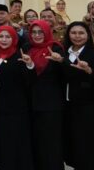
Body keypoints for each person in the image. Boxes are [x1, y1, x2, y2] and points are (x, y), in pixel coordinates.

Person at [0, 26, 35, 170]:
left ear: (14, 39)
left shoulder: (19, 56)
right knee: (2, 141)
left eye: (8, 37)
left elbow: (29, 81)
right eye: (1, 36)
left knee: (16, 142)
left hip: (16, 108)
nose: (4, 40)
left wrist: (29, 65)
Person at [62, 22, 94, 170]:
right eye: (73, 33)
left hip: (89, 105)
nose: (77, 36)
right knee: (74, 141)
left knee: (89, 142)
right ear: (68, 34)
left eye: (81, 33)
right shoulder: (64, 53)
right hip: (68, 104)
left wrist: (89, 70)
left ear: (88, 35)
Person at [27, 20, 65, 169]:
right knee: (36, 142)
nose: (37, 35)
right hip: (31, 103)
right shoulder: (27, 48)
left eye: (40, 32)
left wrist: (60, 61)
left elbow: (65, 75)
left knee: (52, 143)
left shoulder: (56, 48)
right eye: (34, 32)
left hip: (52, 105)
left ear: (47, 32)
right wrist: (28, 66)